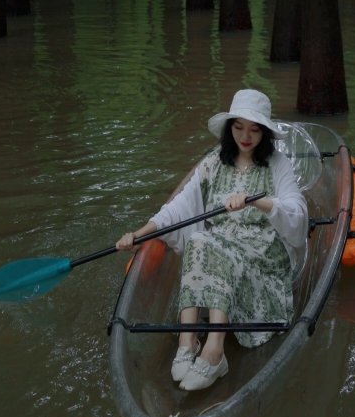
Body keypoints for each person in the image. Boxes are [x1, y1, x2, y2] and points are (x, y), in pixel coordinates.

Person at [116, 89, 309, 392]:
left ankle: (215, 351)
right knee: (199, 239)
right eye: (238, 127)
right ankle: (187, 340)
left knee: (211, 243)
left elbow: (298, 216)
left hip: (264, 255)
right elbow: (179, 207)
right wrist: (140, 233)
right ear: (229, 128)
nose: (245, 136)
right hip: (219, 243)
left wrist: (257, 201)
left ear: (265, 133)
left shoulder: (277, 165)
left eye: (254, 129)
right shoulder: (213, 163)